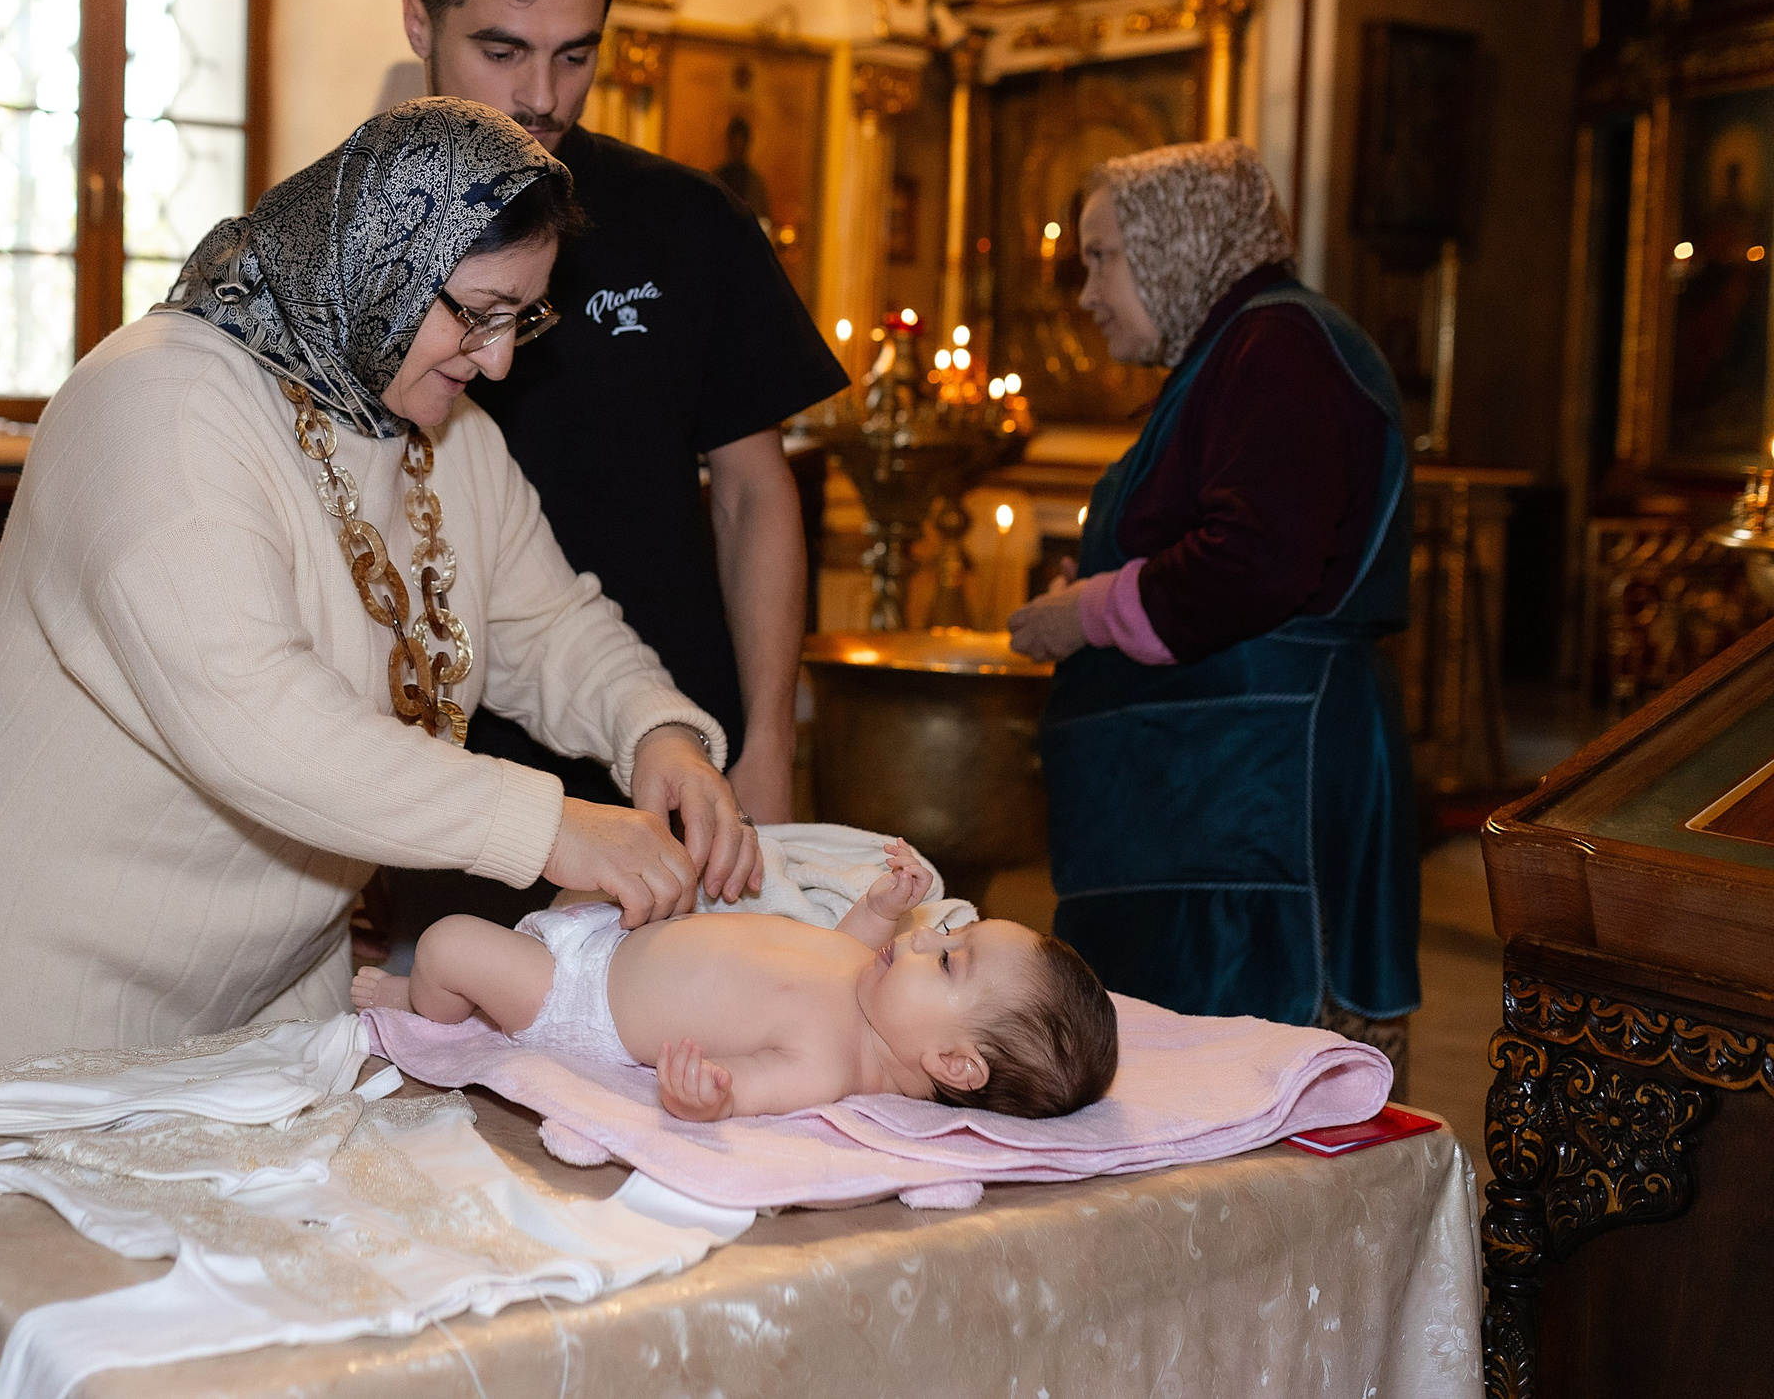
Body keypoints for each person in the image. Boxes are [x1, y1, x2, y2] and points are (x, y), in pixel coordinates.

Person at [0, 98, 761, 1066]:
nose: (501, 359)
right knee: (45, 1218)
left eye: (524, 318)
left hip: (277, 938)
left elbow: (546, 624)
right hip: (52, 934)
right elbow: (262, 721)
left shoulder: (444, 429)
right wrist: (548, 826)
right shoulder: (157, 408)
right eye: (477, 314)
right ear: (380, 259)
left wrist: (654, 728)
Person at [387, 0, 848, 943]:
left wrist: (766, 745)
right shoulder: (349, 232)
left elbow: (752, 497)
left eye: (574, 53)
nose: (540, 95)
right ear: (421, 20)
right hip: (445, 768)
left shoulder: (690, 226)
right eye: (501, 50)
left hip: (663, 744)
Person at [1006, 140, 1418, 1085]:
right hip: (1223, 810)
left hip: (1260, 810)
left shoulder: (1280, 347)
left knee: (1257, 1091)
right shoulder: (1242, 347)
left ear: (1177, 242)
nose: (1086, 291)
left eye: (1102, 256)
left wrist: (1088, 612)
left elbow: (1259, 561)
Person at [356, 842, 1118, 1121]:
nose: (932, 939)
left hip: (580, 998)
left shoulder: (828, 1063)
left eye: (950, 959)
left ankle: (427, 1011)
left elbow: (743, 1092)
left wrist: (708, 1098)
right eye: (951, 931)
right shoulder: (871, 982)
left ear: (953, 1063)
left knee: (451, 945)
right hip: (619, 932)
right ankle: (458, 992)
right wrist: (881, 909)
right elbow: (835, 948)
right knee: (574, 884)